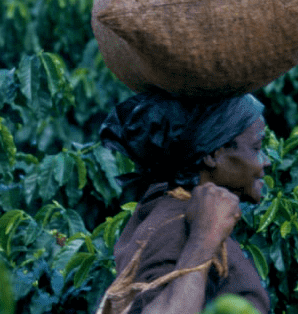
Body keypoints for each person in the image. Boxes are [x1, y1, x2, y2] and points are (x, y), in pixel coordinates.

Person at [95, 91, 272, 314]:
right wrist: (202, 242)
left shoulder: (176, 209)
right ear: (213, 154)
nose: (266, 161)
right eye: (257, 148)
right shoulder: (178, 227)